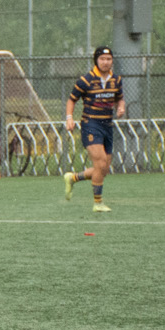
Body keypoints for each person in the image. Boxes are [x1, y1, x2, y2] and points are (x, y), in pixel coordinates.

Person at [63, 46, 124, 212]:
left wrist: (121, 108)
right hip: (91, 125)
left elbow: (120, 98)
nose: (106, 62)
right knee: (100, 162)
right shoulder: (86, 80)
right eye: (102, 59)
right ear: (96, 60)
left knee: (103, 169)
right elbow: (71, 100)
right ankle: (98, 203)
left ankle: (73, 178)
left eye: (109, 59)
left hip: (108, 126)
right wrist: (69, 118)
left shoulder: (116, 80)